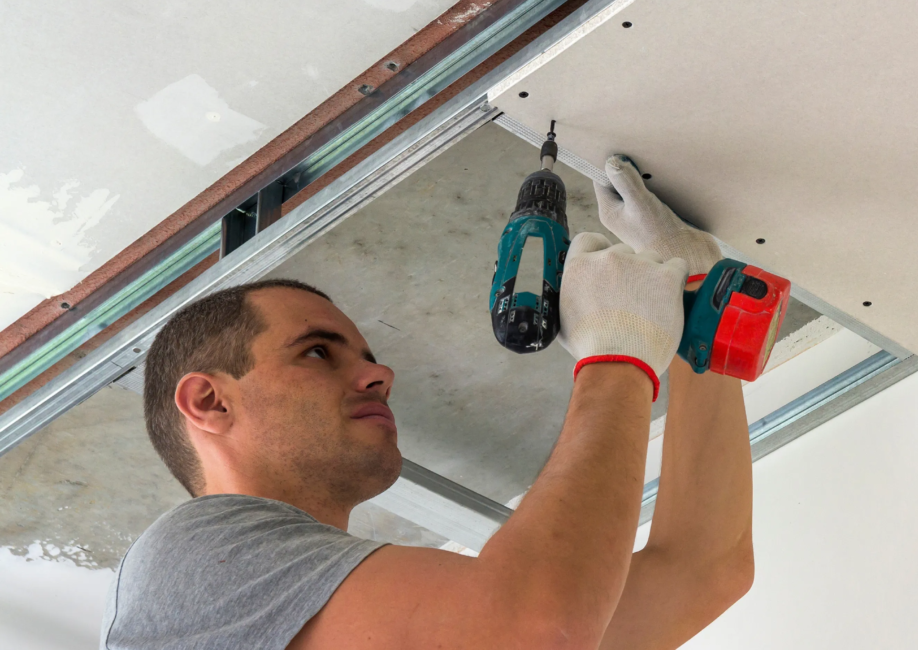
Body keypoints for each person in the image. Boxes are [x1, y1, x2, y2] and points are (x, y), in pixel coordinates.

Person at [101, 156, 754, 650]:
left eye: (367, 358)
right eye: (317, 352)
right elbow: (536, 625)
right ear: (209, 402)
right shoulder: (188, 556)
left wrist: (695, 298)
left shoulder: (366, 622)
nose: (379, 376)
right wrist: (619, 352)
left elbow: (703, 569)